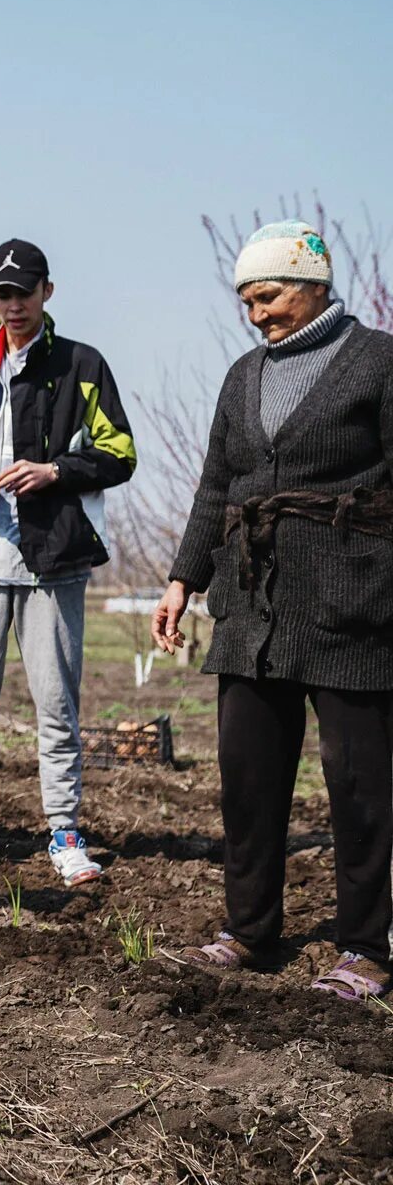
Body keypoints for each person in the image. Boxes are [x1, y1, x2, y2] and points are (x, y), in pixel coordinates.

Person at [154, 221, 393, 1002]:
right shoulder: (242, 376)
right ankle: (249, 930)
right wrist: (181, 580)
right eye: (247, 301)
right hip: (252, 605)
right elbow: (215, 487)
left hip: (351, 602)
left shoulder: (379, 362)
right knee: (249, 780)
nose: (258, 314)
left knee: (360, 785)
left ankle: (364, 946)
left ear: (313, 282)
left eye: (270, 296)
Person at [0, 239, 135, 886]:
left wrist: (56, 470)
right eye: (2, 294)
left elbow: (120, 453)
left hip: (54, 561)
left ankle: (64, 832)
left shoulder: (82, 365)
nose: (13, 305)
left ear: (47, 294)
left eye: (24, 293)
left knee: (57, 707)